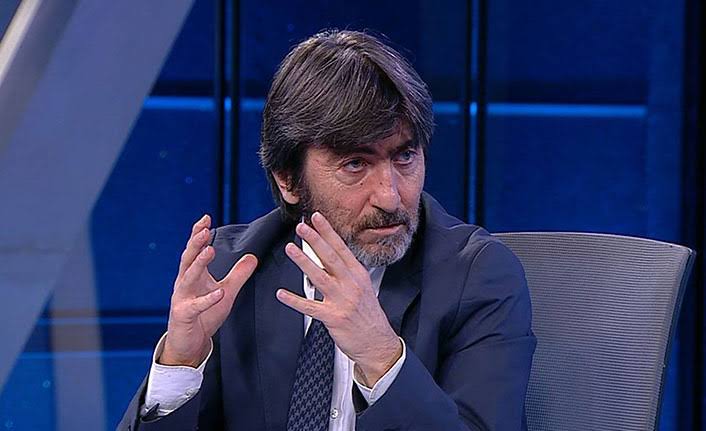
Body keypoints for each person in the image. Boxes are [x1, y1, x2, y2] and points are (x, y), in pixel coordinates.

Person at [118, 29, 536, 431]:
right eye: (355, 164)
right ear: (288, 180)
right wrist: (181, 361)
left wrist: (381, 355)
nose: (390, 196)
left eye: (404, 157)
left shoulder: (477, 277)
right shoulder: (234, 272)